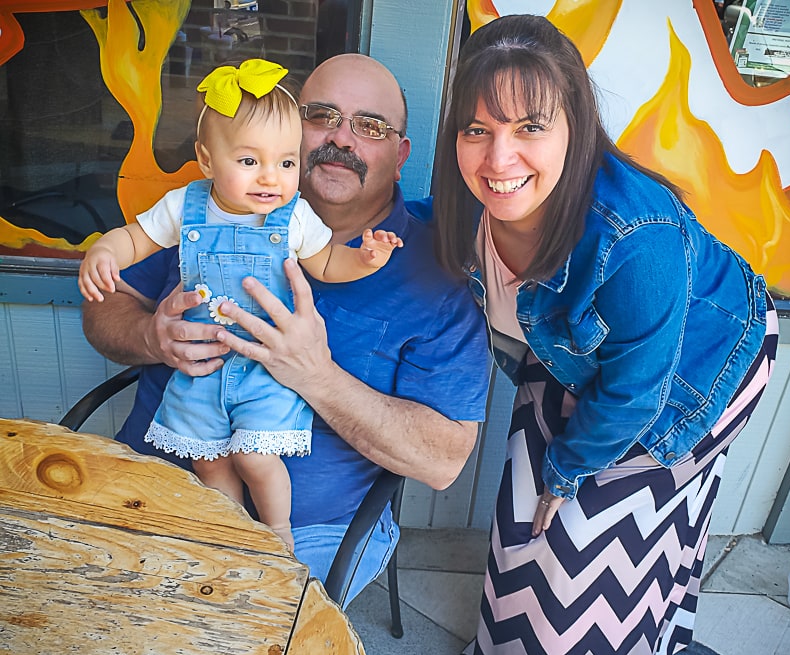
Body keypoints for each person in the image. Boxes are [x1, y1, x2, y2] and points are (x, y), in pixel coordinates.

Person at [433, 14, 777, 655]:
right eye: (476, 128)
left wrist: (568, 469)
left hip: (696, 373)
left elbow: (635, 393)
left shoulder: (633, 233)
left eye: (529, 126)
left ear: (575, 127)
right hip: (579, 358)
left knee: (590, 535)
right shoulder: (468, 200)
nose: (498, 157)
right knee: (522, 515)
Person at [81, 53, 491, 604]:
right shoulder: (214, 210)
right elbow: (104, 306)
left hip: (308, 531)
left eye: (369, 127)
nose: (341, 139)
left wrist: (316, 376)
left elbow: (442, 461)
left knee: (218, 650)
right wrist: (147, 337)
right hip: (156, 485)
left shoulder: (431, 273)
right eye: (322, 115)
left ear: (400, 156)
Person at [78, 59, 402, 550]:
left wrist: (366, 260)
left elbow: (329, 262)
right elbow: (134, 238)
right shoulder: (184, 207)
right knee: (208, 460)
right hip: (200, 368)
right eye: (250, 161)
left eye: (286, 162)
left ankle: (277, 536)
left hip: (264, 371)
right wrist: (104, 250)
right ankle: (230, 535)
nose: (270, 178)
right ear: (208, 161)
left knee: (254, 456)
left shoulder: (295, 218)